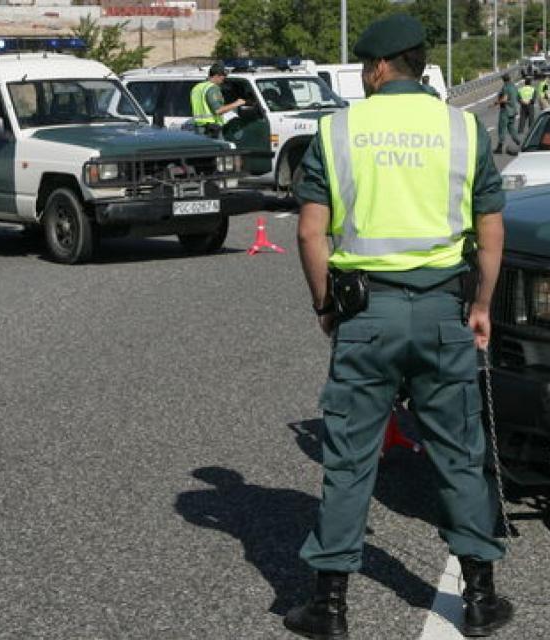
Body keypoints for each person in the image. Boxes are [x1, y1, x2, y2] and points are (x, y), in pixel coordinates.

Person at [288, 13, 512, 640]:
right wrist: (482, 306)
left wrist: (325, 306)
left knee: (350, 459)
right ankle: (480, 598)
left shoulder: (337, 130)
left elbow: (310, 231)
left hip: (367, 315)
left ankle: (329, 607)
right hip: (443, 312)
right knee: (458, 455)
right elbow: (491, 231)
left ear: (380, 67)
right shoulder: (463, 128)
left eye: (364, 68)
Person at [190, 62, 245, 138]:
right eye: (223, 76)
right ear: (216, 76)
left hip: (199, 128)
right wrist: (237, 103)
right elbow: (218, 110)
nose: (224, 79)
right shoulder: (212, 88)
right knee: (220, 149)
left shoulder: (197, 87)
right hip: (211, 129)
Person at [494, 72, 521, 154]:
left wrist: (497, 102)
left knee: (502, 129)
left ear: (503, 80)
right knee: (511, 128)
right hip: (513, 110)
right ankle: (518, 142)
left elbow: (505, 99)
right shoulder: (514, 87)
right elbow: (518, 98)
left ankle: (499, 147)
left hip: (505, 110)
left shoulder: (506, 87)